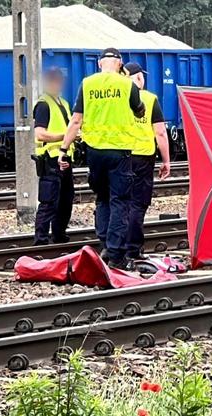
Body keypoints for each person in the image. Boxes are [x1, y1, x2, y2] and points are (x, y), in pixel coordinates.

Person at [58, 48, 145, 269]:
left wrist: (63, 149)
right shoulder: (127, 85)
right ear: (120, 64)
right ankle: (116, 254)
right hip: (120, 150)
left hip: (94, 152)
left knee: (102, 198)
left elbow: (76, 120)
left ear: (99, 64)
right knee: (120, 200)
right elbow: (139, 111)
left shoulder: (87, 84)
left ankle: (105, 243)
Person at [123, 61, 171, 260]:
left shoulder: (119, 98)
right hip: (143, 157)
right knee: (137, 204)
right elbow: (160, 132)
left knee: (120, 203)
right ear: (140, 77)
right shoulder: (150, 99)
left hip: (122, 155)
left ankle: (116, 247)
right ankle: (133, 249)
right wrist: (166, 160)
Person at [33, 67, 75, 245]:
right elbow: (40, 134)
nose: (58, 83)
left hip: (65, 157)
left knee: (65, 200)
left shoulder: (63, 103)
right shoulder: (43, 104)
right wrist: (65, 136)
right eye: (55, 80)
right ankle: (41, 239)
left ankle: (59, 235)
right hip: (50, 158)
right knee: (49, 201)